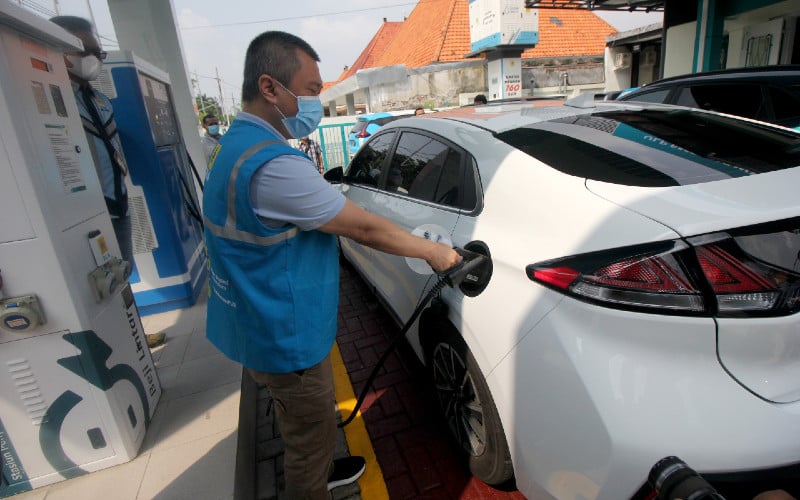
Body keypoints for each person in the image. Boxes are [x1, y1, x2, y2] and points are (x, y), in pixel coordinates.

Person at [202, 31, 460, 499]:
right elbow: (363, 228)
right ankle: (312, 482)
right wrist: (435, 252)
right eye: (312, 89)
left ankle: (319, 464)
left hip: (252, 319)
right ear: (269, 87)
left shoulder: (232, 144)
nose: (316, 101)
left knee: (299, 420)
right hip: (285, 335)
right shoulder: (274, 164)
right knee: (308, 438)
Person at [50, 16, 166, 349]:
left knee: (121, 273)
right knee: (91, 289)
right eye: (84, 50)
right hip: (80, 214)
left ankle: (135, 339)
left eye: (98, 52)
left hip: (117, 205)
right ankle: (113, 345)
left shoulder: (99, 101)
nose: (94, 59)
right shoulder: (51, 101)